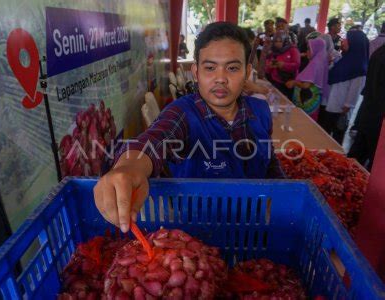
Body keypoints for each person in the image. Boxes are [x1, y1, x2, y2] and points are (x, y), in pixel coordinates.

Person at [94, 22, 284, 232]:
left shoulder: (260, 110)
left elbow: (270, 163)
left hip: (254, 226)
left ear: (247, 72)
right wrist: (128, 168)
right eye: (210, 68)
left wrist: (283, 200)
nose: (220, 78)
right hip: (197, 233)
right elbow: (154, 140)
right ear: (196, 71)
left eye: (232, 68)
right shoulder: (183, 114)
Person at [318, 30, 369, 144]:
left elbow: (355, 90)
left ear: (355, 43)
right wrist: (330, 63)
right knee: (323, 134)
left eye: (347, 39)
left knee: (335, 137)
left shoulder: (360, 67)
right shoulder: (344, 59)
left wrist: (347, 107)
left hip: (340, 109)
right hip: (329, 103)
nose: (343, 41)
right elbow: (332, 76)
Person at [348, 45, 385, 171]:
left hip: (369, 112)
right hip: (379, 119)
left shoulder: (380, 52)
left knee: (356, 156)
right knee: (374, 162)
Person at [286, 38, 329, 120]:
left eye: (309, 48)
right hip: (312, 99)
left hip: (307, 101)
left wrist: (294, 83)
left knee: (303, 122)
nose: (307, 51)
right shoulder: (320, 60)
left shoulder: (315, 63)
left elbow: (306, 85)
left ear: (316, 49)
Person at [265, 31, 301, 99]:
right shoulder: (273, 51)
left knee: (286, 101)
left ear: (285, 41)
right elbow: (267, 68)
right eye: (276, 41)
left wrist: (283, 65)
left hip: (289, 82)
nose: (278, 44)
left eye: (280, 41)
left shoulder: (293, 49)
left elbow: (297, 64)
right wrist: (270, 66)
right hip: (276, 81)